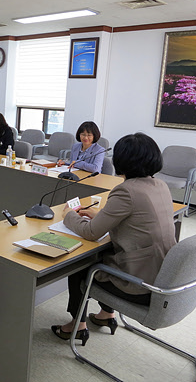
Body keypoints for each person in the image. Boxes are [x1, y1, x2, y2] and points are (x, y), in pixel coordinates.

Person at [51, 132, 176, 345]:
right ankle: (106, 315)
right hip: (162, 273)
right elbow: (136, 218)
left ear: (121, 160)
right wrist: (99, 215)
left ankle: (77, 326)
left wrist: (68, 215)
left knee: (81, 267)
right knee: (106, 253)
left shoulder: (126, 190)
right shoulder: (160, 185)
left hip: (141, 284)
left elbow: (91, 233)